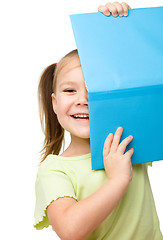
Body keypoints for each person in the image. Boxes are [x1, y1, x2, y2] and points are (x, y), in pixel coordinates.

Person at [34, 2, 163, 239]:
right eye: (70, 91)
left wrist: (113, 28)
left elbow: (143, 74)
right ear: (54, 103)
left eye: (95, 90)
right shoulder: (54, 169)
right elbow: (70, 230)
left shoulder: (131, 140)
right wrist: (118, 180)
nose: (83, 100)